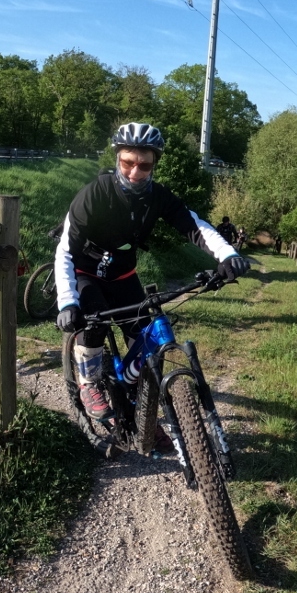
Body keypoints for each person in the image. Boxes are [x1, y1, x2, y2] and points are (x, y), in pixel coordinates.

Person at [54, 122, 249, 422]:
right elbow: (66, 250)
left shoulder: (157, 196)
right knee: (93, 323)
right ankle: (89, 384)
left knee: (145, 347)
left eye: (144, 165)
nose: (135, 172)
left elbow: (194, 226)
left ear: (154, 164)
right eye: (127, 162)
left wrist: (228, 254)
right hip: (85, 274)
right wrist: (68, 301)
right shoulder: (95, 194)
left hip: (123, 277)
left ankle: (140, 417)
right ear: (117, 159)